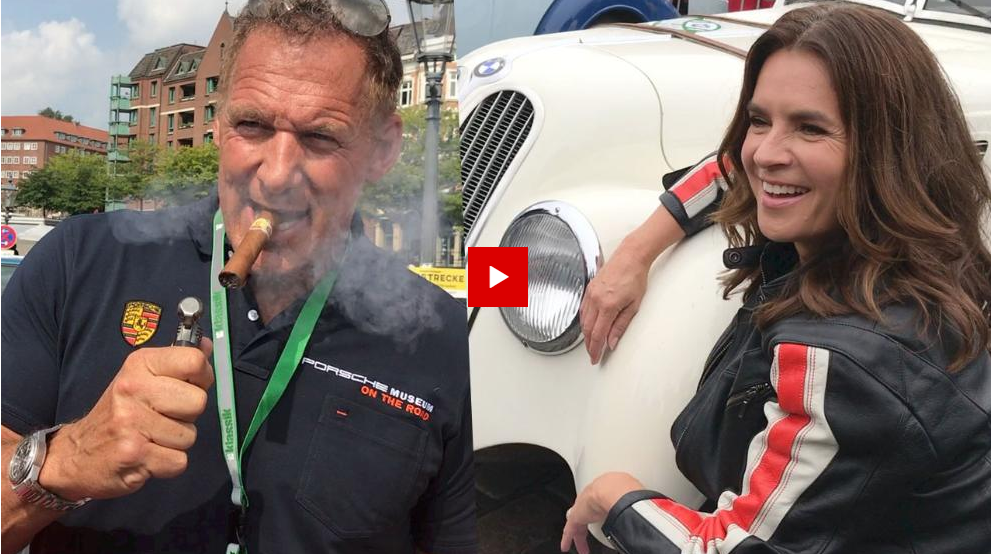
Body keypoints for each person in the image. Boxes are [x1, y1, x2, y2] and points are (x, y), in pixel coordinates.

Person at [1, 2, 476, 553]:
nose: (276, 175)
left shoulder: (440, 334)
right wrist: (67, 460)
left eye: (320, 136)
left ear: (383, 149)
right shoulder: (79, 261)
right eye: (252, 125)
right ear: (220, 124)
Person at [563, 3, 991, 553]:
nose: (766, 152)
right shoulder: (916, 247)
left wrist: (613, 497)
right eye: (759, 119)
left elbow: (735, 548)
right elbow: (731, 166)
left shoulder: (852, 359)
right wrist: (634, 252)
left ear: (889, 154)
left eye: (810, 128)